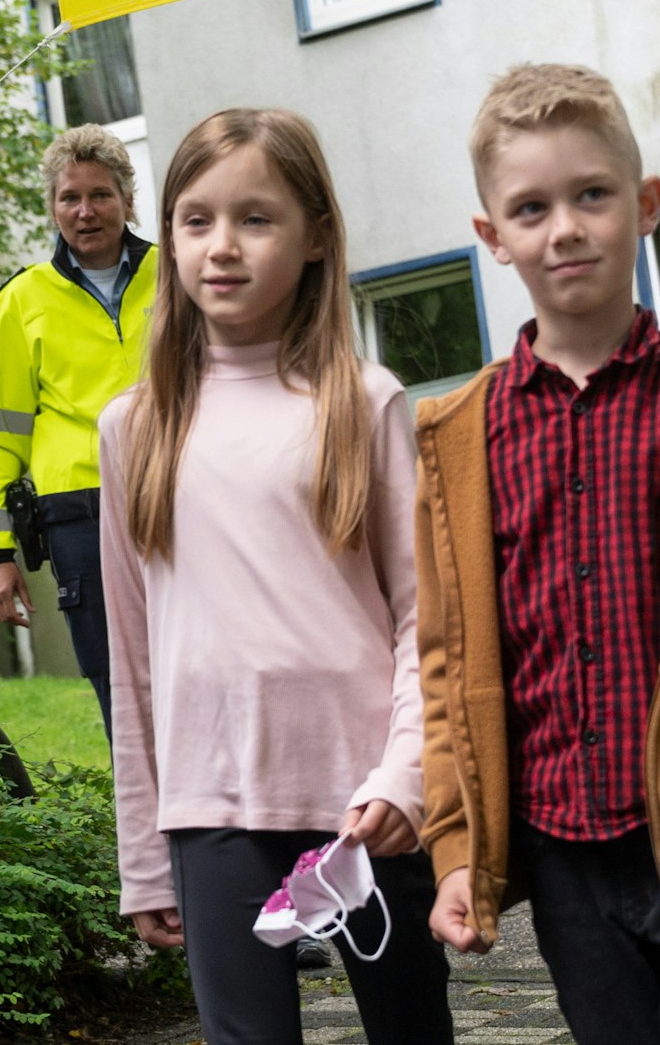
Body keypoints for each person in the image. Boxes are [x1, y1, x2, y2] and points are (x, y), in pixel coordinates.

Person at [414, 64, 660, 1045]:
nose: (565, 228)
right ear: (491, 238)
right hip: (561, 855)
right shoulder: (456, 435)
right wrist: (456, 847)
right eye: (530, 208)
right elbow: (447, 661)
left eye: (591, 194)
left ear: (645, 205)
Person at [99, 108, 454, 1044]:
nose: (222, 246)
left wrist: (407, 777)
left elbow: (427, 620)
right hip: (210, 808)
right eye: (196, 219)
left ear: (315, 239)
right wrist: (145, 856)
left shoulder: (363, 401)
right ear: (167, 234)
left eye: (256, 219)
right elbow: (131, 656)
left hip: (364, 807)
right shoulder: (133, 429)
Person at [0, 124, 156, 737]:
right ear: (53, 207)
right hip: (80, 516)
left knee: (207, 664)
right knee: (116, 680)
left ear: (128, 200)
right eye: (69, 197)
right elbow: (0, 436)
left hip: (181, 500)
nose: (85, 211)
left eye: (101, 195)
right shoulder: (20, 301)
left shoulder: (178, 276)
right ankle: (146, 825)